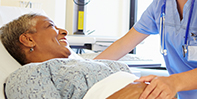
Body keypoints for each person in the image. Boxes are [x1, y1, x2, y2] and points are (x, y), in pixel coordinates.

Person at [0, 13, 148, 99]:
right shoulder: (26, 76)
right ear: (28, 39)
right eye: (51, 26)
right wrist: (126, 94)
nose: (64, 31)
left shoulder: (83, 64)